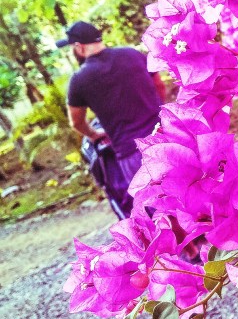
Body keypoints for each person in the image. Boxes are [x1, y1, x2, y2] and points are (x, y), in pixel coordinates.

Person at [57, 21, 166, 192]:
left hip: (132, 154)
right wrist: (161, 115)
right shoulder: (132, 54)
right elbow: (159, 85)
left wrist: (94, 135)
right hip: (166, 137)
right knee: (194, 200)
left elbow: (76, 122)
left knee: (160, 212)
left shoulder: (79, 79)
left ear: (78, 47)